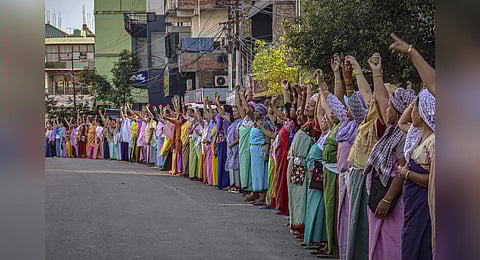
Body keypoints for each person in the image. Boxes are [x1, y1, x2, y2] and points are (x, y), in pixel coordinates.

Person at [362, 52, 417, 260]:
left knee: (391, 244)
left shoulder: (403, 135)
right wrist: (377, 72)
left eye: (389, 107)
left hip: (393, 201)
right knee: (379, 242)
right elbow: (380, 98)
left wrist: (387, 199)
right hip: (381, 194)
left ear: (400, 110)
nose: (385, 109)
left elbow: (401, 172)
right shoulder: (391, 131)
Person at [390, 33, 437, 258]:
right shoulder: (420, 137)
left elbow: (435, 84)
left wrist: (407, 174)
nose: (412, 109)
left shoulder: (436, 143)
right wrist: (410, 51)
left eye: (417, 106)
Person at [250, 103, 275, 204]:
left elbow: (267, 139)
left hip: (261, 149)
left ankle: (263, 195)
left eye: (257, 111)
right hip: (254, 150)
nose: (255, 113)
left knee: (262, 173)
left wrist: (266, 152)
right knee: (256, 173)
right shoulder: (255, 123)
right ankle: (258, 193)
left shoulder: (265, 124)